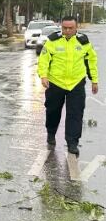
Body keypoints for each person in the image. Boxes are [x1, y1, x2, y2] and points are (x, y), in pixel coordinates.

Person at [38, 16, 99, 155]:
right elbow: (43, 60)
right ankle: (51, 133)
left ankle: (72, 142)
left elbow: (91, 62)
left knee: (75, 114)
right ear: (61, 27)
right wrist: (43, 76)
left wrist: (94, 80)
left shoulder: (83, 42)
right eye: (64, 28)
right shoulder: (52, 41)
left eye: (70, 28)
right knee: (52, 111)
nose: (67, 30)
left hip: (76, 84)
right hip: (55, 82)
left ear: (76, 28)